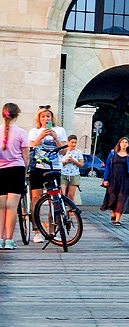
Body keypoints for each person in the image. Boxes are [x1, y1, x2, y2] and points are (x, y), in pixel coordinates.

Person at [27, 106, 68, 242]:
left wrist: (55, 138)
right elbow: (31, 148)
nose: (45, 119)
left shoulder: (60, 130)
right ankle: (37, 231)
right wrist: (41, 136)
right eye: (43, 116)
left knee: (54, 200)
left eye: (48, 116)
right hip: (38, 167)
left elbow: (63, 152)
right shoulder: (34, 131)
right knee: (36, 199)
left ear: (52, 118)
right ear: (39, 119)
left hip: (54, 167)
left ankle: (53, 230)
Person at [0, 103, 29, 250]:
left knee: (0, 207)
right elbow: (26, 158)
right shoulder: (21, 132)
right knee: (11, 207)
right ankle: (9, 240)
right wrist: (25, 173)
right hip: (16, 170)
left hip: (0, 171)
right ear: (17, 115)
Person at [102, 137, 129, 226]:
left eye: (126, 142)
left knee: (121, 198)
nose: (124, 144)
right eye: (122, 142)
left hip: (125, 179)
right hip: (113, 178)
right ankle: (113, 212)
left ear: (128, 145)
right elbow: (107, 167)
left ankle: (118, 219)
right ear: (119, 143)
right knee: (112, 197)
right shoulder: (113, 153)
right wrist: (106, 179)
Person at [60, 135, 84, 204]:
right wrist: (66, 161)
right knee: (62, 193)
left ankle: (69, 211)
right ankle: (62, 209)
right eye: (72, 142)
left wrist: (73, 161)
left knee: (70, 196)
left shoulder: (78, 152)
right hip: (63, 174)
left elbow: (81, 164)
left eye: (75, 143)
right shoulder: (63, 151)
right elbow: (59, 163)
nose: (73, 144)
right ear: (68, 142)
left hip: (74, 174)